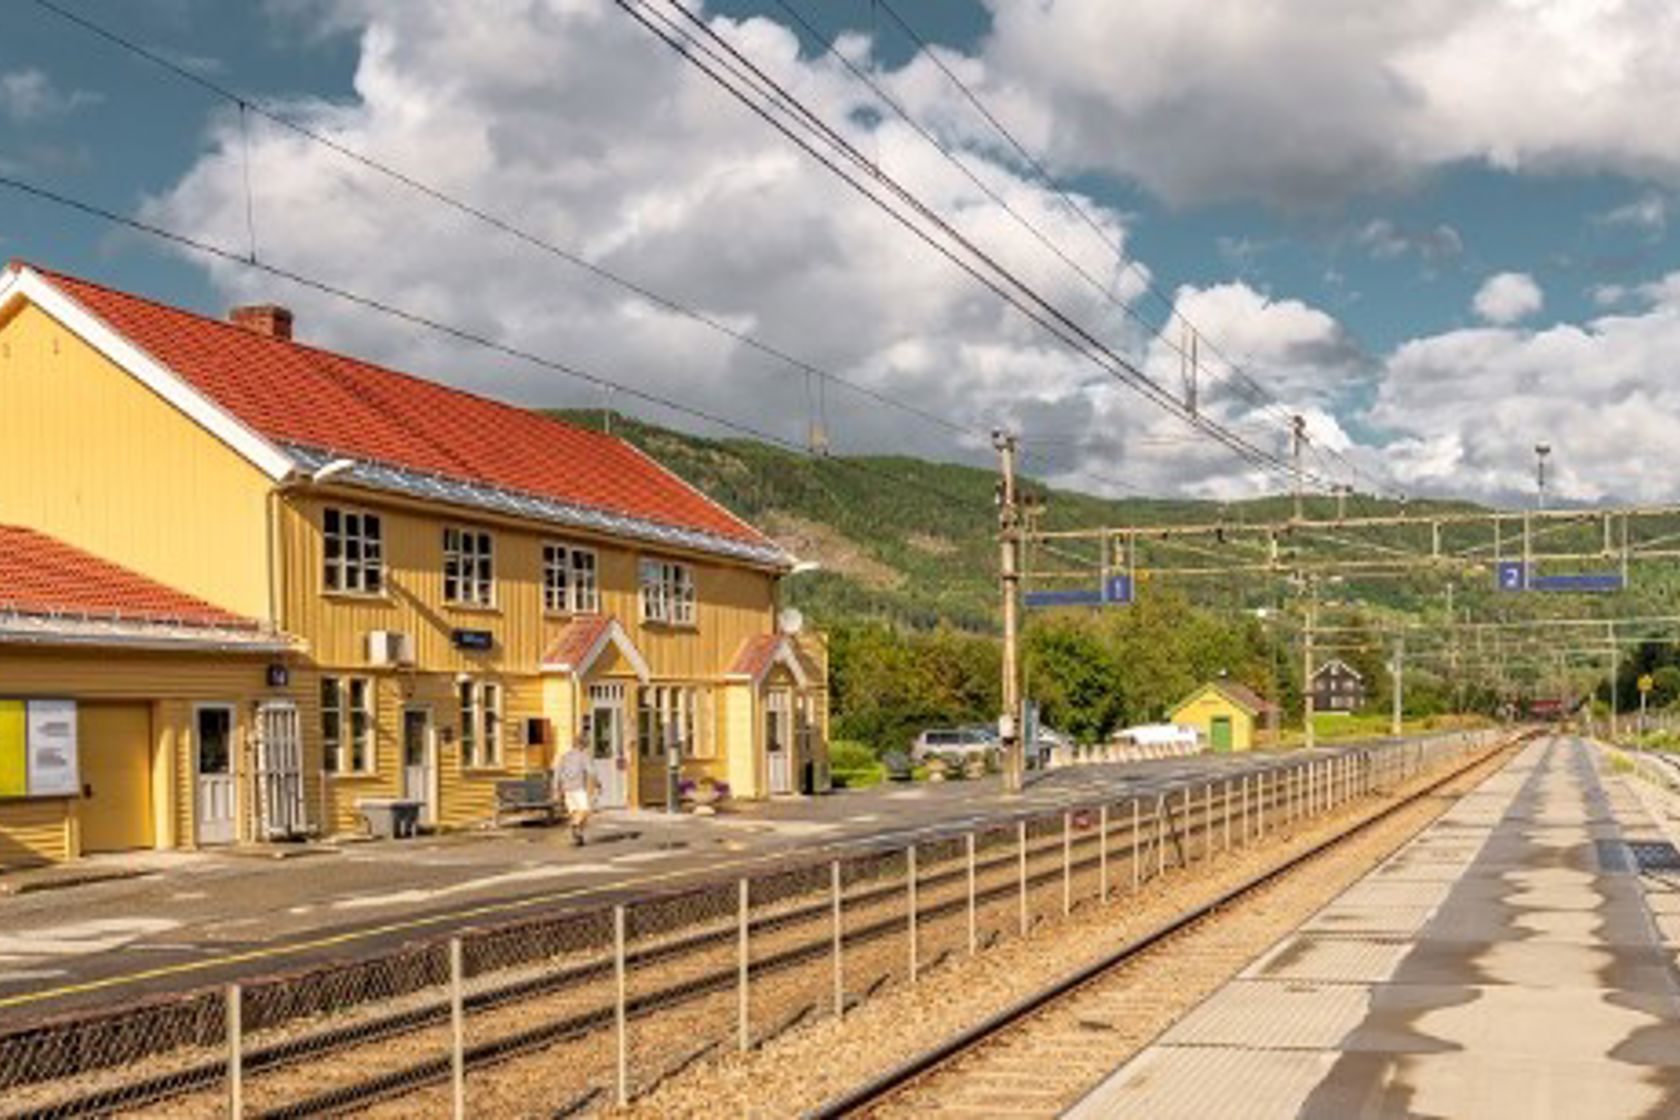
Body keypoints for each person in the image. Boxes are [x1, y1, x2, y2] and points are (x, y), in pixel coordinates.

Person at [555, 735, 596, 846]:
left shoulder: (565, 756)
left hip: (567, 788)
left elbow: (557, 772)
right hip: (578, 787)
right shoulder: (583, 756)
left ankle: (579, 836)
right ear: (583, 745)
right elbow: (591, 771)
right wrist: (597, 783)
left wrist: (556, 787)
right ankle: (575, 825)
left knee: (574, 811)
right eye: (586, 745)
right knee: (585, 810)